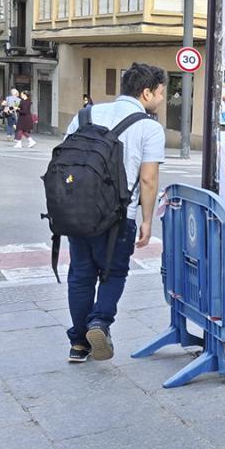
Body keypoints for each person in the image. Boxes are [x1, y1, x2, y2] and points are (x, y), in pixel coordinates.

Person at [62, 63, 166, 363]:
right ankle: (100, 322)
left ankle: (78, 344)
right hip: (118, 215)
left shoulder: (85, 115)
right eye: (160, 93)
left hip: (78, 211)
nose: (161, 99)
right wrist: (147, 221)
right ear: (146, 92)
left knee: (81, 274)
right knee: (114, 272)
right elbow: (148, 180)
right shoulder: (149, 127)